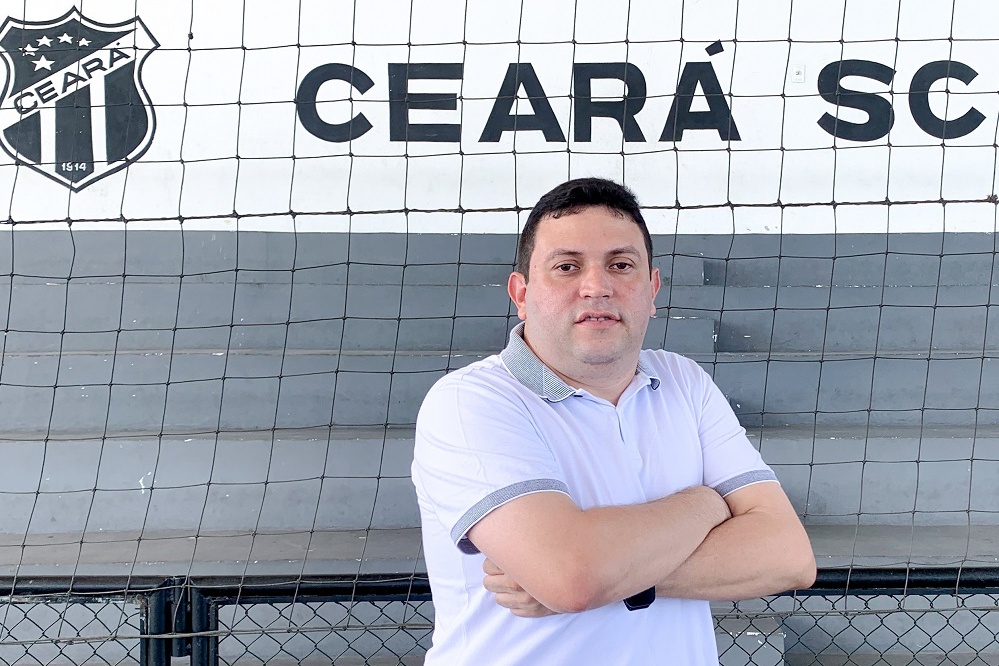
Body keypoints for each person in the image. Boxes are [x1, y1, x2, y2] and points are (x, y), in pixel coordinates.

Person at [411, 177, 816, 665]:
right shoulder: (470, 402)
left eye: (621, 265)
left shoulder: (684, 381)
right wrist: (706, 504)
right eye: (566, 266)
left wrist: (609, 576)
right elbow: (571, 575)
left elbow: (788, 556)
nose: (597, 287)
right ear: (521, 293)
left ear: (652, 288)